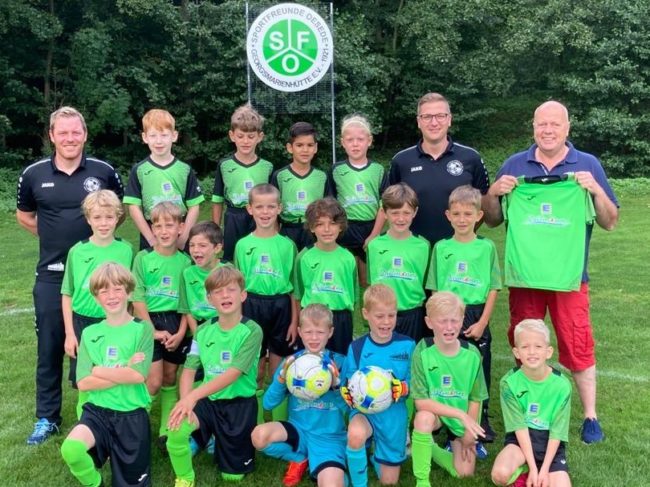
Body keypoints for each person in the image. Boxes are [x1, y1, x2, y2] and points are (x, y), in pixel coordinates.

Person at [482, 100, 619, 443]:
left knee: (577, 343)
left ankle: (590, 416)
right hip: (526, 277)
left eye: (555, 124)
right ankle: (524, 410)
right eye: (542, 124)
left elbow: (610, 221)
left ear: (567, 127)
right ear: (533, 127)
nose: (548, 130)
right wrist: (494, 193)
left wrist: (594, 189)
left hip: (569, 277)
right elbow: (492, 219)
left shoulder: (587, 164)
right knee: (524, 341)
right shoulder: (514, 164)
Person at [16, 106, 124, 445]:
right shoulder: (33, 174)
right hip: (52, 276)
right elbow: (25, 216)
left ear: (85, 134)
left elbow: (116, 211)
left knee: (106, 344)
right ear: (52, 136)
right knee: (50, 347)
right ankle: (47, 418)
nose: (70, 138)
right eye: (62, 132)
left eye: (76, 132)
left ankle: (105, 411)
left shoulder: (103, 171)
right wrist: (53, 238)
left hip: (101, 278)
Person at [166, 265, 263, 486]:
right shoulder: (202, 331)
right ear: (210, 299)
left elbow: (232, 374)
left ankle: (213, 439)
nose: (225, 295)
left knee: (232, 476)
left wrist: (192, 396)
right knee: (176, 430)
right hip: (208, 402)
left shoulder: (252, 330)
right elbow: (189, 369)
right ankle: (185, 478)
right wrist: (186, 402)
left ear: (243, 295)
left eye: (231, 290)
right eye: (218, 292)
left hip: (239, 406)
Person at [60, 262, 154, 487]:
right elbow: (83, 382)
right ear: (96, 298)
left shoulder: (142, 329)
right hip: (97, 412)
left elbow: (138, 376)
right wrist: (123, 370)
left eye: (117, 289)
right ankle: (96, 483)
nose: (111, 296)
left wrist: (98, 369)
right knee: (71, 449)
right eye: (104, 291)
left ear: (129, 293)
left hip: (131, 414)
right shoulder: (90, 333)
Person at [427, 185, 501, 445]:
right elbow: (435, 286)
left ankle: (480, 420)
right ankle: (447, 423)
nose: (462, 219)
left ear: (479, 216)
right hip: (448, 314)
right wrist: (440, 320)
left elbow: (493, 287)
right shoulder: (441, 248)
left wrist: (482, 322)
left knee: (478, 368)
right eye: (456, 214)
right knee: (450, 368)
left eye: (468, 214)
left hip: (475, 315)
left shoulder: (486, 247)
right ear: (448, 215)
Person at [251, 304, 347, 487]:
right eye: (308, 332)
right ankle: (299, 458)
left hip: (329, 437)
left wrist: (336, 386)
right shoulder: (292, 363)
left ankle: (330, 468)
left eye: (320, 332)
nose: (314, 338)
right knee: (259, 436)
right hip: (298, 431)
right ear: (300, 332)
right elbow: (268, 404)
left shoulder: (341, 363)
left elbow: (349, 409)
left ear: (330, 332)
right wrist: (281, 378)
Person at [61, 190, 134, 416]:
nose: (104, 223)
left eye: (109, 217)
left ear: (118, 218)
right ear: (88, 219)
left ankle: (114, 419)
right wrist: (70, 333)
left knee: (114, 370)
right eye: (97, 217)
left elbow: (130, 292)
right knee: (85, 378)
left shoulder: (126, 250)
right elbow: (67, 293)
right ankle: (85, 422)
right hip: (83, 323)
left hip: (114, 322)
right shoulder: (77, 251)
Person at [383, 92, 489, 247]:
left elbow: (484, 203)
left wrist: (465, 235)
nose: (434, 122)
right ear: (419, 121)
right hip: (413, 250)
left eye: (440, 116)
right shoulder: (401, 161)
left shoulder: (471, 158)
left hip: (457, 250)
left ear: (449, 119)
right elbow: (390, 205)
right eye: (427, 117)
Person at [234, 184, 299, 419]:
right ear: (249, 209)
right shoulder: (243, 245)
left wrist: (294, 321)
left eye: (271, 207)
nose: (265, 212)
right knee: (257, 367)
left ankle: (280, 422)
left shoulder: (287, 245)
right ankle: (257, 419)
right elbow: (237, 287)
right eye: (259, 207)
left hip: (281, 306)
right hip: (251, 305)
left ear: (279, 208)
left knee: (279, 369)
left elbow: (294, 288)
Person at [131, 202, 191, 451]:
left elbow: (189, 302)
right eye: (158, 226)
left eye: (170, 225)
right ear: (152, 228)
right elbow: (137, 297)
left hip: (176, 322)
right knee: (153, 380)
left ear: (180, 228)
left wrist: (181, 332)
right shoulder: (143, 258)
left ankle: (166, 429)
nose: (164, 231)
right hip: (149, 321)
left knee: (169, 376)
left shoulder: (186, 261)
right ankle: (131, 425)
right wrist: (151, 330)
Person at [341, 284, 414, 487]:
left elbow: (417, 382)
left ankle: (375, 455)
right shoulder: (357, 347)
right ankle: (360, 483)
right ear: (366, 314)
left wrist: (404, 388)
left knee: (389, 481)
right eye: (380, 316)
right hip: (364, 412)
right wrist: (347, 393)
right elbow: (348, 381)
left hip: (393, 415)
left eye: (391, 315)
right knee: (355, 434)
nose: (386, 322)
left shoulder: (408, 346)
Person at [410, 291, 487, 485]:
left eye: (454, 320)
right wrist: (460, 415)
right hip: (434, 413)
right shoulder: (423, 349)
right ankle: (422, 480)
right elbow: (421, 402)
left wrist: (469, 431)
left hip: (461, 416)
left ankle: (431, 447)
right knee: (423, 419)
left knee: (464, 473)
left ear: (462, 320)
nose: (449, 327)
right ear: (429, 322)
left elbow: (476, 398)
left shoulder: (472, 354)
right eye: (442, 321)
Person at [491, 319, 572, 487]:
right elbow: (519, 426)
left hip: (549, 442)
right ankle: (526, 470)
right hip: (520, 441)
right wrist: (534, 469)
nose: (532, 352)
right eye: (525, 347)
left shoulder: (562, 385)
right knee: (500, 475)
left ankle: (534, 472)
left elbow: (557, 432)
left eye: (538, 346)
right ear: (516, 352)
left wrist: (544, 470)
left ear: (548, 352)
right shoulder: (509, 382)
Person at [124, 108, 204, 250]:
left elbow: (194, 206)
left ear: (174, 136)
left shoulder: (184, 169)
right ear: (145, 137)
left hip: (179, 231)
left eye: (164, 135)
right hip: (152, 232)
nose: (159, 141)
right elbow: (134, 208)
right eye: (153, 135)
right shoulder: (139, 170)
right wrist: (151, 239)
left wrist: (183, 238)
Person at [328, 114, 388, 286]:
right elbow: (331, 205)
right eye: (350, 140)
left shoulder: (378, 170)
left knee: (368, 281)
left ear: (369, 141)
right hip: (345, 229)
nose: (355, 144)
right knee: (345, 280)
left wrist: (374, 235)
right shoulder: (336, 170)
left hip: (371, 228)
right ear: (342, 142)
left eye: (360, 139)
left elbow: (385, 205)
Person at [367, 183, 431, 342]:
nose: (401, 218)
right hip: (381, 314)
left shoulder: (423, 246)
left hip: (412, 313)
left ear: (415, 212)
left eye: (406, 213)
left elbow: (426, 282)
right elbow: (371, 282)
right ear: (384, 213)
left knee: (409, 354)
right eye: (395, 213)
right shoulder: (374, 245)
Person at [294, 197, 358, 355]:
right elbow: (298, 294)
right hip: (312, 318)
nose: (327, 229)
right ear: (311, 227)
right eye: (320, 224)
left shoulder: (348, 258)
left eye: (332, 223)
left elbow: (354, 295)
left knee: (339, 363)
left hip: (340, 319)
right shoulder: (304, 257)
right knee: (311, 363)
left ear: (341, 226)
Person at [211, 104, 274, 262]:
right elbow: (217, 199)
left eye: (251, 137)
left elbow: (273, 200)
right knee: (231, 260)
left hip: (259, 217)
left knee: (256, 257)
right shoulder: (224, 165)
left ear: (259, 137)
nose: (245, 141)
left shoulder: (267, 167)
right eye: (240, 136)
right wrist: (216, 229)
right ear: (232, 136)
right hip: (233, 218)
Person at [271, 122, 329, 251]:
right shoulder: (279, 176)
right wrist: (275, 233)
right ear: (290, 147)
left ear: (315, 148)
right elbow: (272, 207)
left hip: (313, 231)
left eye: (310, 145)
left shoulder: (322, 176)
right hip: (287, 230)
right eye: (299, 145)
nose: (305, 150)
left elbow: (328, 209)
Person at [178, 221, 225, 333]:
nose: (195, 250)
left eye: (202, 245)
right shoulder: (186, 273)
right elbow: (187, 310)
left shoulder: (228, 271)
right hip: (196, 328)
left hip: (222, 326)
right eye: (191, 245)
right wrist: (197, 335)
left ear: (217, 248)